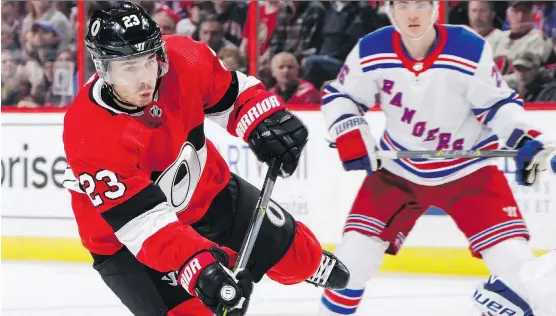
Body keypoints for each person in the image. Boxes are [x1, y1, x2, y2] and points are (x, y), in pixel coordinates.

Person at [61, 3, 349, 316]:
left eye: (149, 61)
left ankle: (308, 262)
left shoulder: (183, 57)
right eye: (129, 68)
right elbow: (144, 225)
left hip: (207, 193)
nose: (145, 78)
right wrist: (197, 267)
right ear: (103, 69)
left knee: (299, 257)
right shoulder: (89, 132)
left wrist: (263, 119)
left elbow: (233, 94)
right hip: (127, 244)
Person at [317, 1, 556, 315]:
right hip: (397, 173)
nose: (412, 13)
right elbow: (341, 95)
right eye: (403, 5)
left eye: (421, 4)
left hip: (470, 174)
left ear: (434, 9)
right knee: (348, 265)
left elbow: (497, 104)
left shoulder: (467, 46)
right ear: (390, 10)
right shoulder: (371, 49)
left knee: (521, 271)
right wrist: (349, 130)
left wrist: (524, 138)